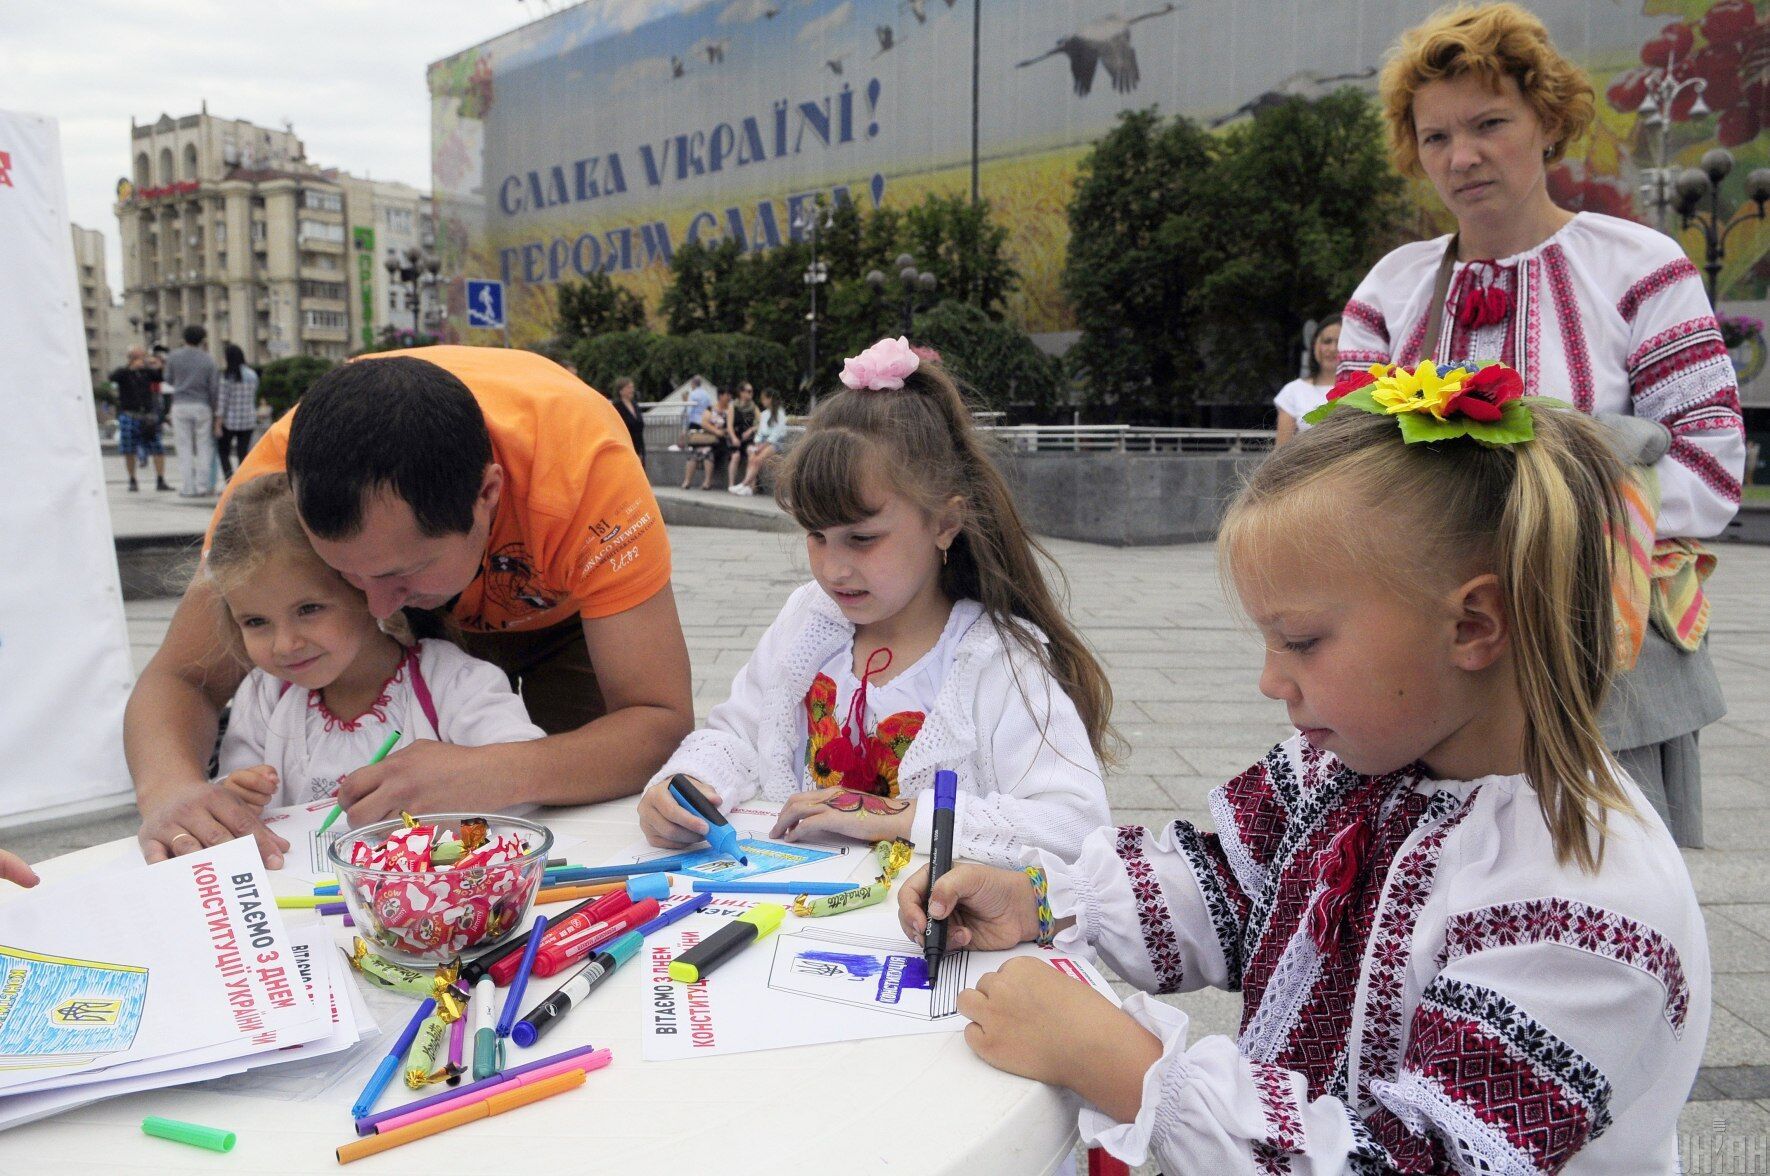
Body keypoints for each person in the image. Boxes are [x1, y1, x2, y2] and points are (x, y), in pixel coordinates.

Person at [903, 370, 1709, 1172]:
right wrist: (1042, 902)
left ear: (1473, 625)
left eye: (1302, 641)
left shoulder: (1582, 904)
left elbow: (1412, 1162)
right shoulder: (1356, 756)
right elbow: (1231, 887)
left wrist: (1125, 1065)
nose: (1270, 680)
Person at [1335, 2, 1744, 847]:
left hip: (1593, 657)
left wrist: (1541, 518)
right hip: (1428, 660)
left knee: (1598, 890)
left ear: (1548, 121)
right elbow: (1341, 475)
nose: (1463, 156)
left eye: (1490, 123)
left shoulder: (1642, 269)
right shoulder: (1391, 287)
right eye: (1437, 136)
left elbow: (1708, 471)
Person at [125, 346, 694, 868]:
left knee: (589, 823)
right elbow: (180, 678)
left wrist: (494, 770)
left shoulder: (584, 469)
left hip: (562, 619)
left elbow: (656, 722)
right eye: (342, 574)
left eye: (399, 571)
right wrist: (172, 791)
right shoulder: (274, 483)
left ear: (488, 494)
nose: (373, 605)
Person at [639, 337, 1114, 865]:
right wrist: (688, 786)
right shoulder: (808, 619)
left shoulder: (996, 660)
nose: (833, 569)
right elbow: (736, 735)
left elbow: (1077, 827)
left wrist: (902, 816)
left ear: (945, 524)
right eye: (816, 536)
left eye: (862, 539)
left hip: (927, 935)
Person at [206, 475, 543, 808]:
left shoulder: (455, 684)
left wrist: (463, 787)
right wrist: (236, 798)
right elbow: (235, 790)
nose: (284, 645)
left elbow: (524, 774)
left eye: (309, 609)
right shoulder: (262, 697)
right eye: (255, 622)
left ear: (367, 588)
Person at [164, 324, 220, 497]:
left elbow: (168, 379)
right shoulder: (208, 359)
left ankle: (188, 487)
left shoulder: (173, 357)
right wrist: (215, 409)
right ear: (202, 340)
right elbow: (214, 387)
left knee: (184, 446)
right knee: (204, 446)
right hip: (202, 405)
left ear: (184, 338)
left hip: (180, 404)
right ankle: (203, 486)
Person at [1272, 315, 1341, 446]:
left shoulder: (1362, 391)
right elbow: (1281, 454)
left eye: (1340, 342)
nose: (1333, 349)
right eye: (1327, 341)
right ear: (1314, 345)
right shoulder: (1292, 391)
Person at [110, 346, 171, 492]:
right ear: (131, 358)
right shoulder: (123, 373)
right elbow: (112, 377)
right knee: (129, 449)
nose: (142, 360)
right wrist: (131, 368)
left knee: (158, 448)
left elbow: (161, 377)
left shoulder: (147, 373)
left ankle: (160, 479)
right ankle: (132, 479)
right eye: (138, 357)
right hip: (129, 413)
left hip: (147, 416)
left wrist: (158, 364)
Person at [730, 387, 789, 496]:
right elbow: (760, 432)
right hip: (763, 442)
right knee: (752, 457)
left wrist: (761, 447)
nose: (762, 401)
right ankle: (750, 488)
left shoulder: (780, 413)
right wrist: (757, 444)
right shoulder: (764, 414)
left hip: (775, 443)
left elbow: (776, 435)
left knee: (757, 460)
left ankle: (744, 484)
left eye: (764, 398)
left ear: (769, 399)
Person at [214, 342, 259, 480]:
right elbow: (254, 395)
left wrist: (217, 425)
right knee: (243, 453)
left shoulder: (226, 377)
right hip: (248, 420)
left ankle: (229, 479)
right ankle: (242, 480)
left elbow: (222, 403)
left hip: (230, 422)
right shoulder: (252, 375)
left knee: (223, 452)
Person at [682, 386, 731, 491]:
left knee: (707, 451)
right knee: (694, 451)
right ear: (721, 396)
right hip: (709, 438)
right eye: (727, 395)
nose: (729, 397)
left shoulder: (730, 410)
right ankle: (687, 481)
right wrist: (716, 431)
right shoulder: (711, 408)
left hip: (721, 441)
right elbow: (703, 423)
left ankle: (707, 481)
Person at [669, 375, 714, 451]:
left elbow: (688, 410)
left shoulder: (692, 394)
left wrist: (684, 426)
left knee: (694, 443)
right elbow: (710, 408)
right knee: (703, 444)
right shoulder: (706, 395)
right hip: (704, 422)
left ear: (693, 384)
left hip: (694, 422)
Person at [726, 382, 758, 488]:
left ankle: (749, 486)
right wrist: (734, 438)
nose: (751, 394)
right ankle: (731, 485)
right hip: (735, 436)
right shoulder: (733, 406)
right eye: (748, 391)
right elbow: (729, 426)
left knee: (752, 453)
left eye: (752, 391)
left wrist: (751, 430)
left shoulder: (753, 407)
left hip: (748, 438)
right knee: (735, 456)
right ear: (741, 393)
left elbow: (761, 423)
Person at [612, 376, 645, 458]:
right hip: (626, 446)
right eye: (628, 388)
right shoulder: (616, 406)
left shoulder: (635, 405)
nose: (632, 390)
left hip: (639, 446)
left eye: (632, 387)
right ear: (621, 391)